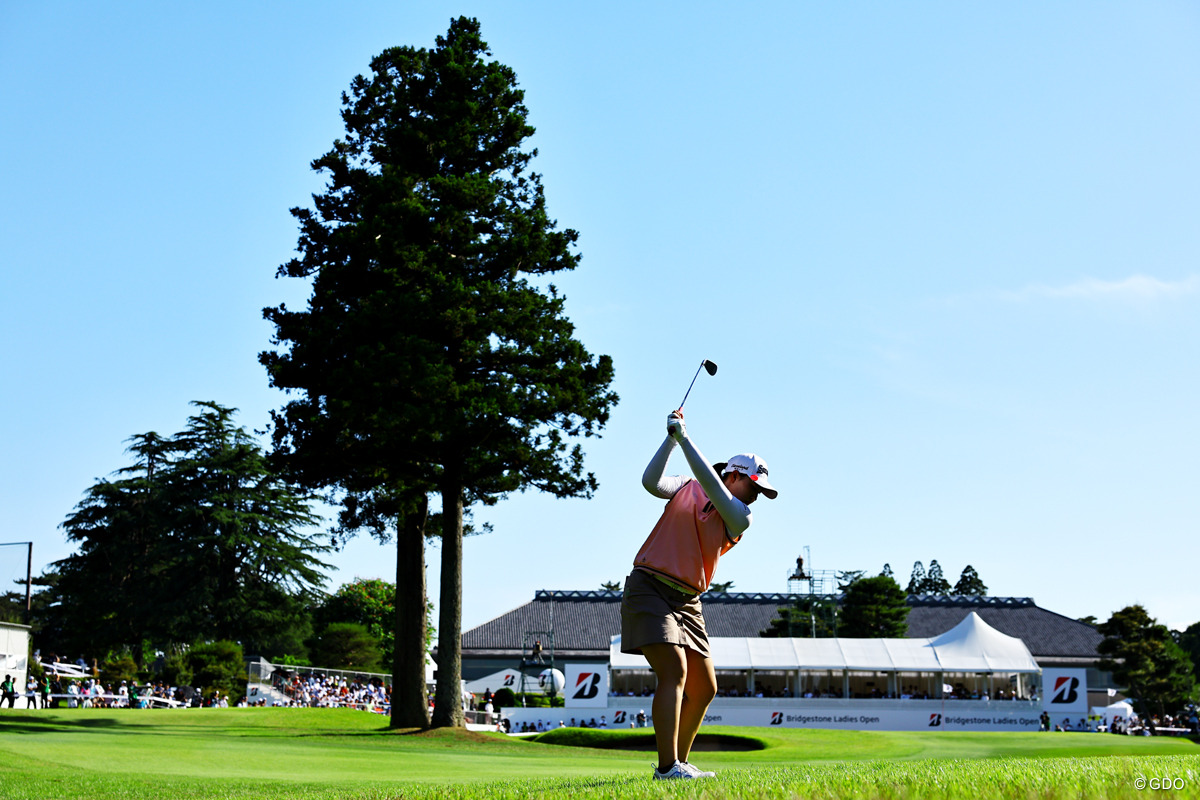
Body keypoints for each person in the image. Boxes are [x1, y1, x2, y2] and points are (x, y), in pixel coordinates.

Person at [620, 409, 777, 781]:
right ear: (734, 475)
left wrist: (686, 438)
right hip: (650, 586)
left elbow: (716, 489)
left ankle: (679, 762)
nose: (755, 497)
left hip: (689, 600)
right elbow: (651, 482)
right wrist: (672, 440)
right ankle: (666, 768)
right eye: (753, 487)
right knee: (674, 670)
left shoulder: (740, 516)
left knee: (705, 687)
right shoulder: (687, 486)